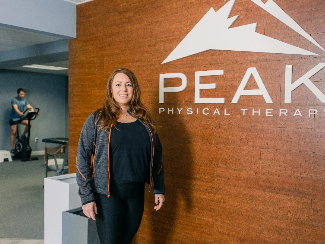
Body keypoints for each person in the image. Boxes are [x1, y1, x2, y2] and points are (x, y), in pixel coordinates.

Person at [76, 68, 165, 244]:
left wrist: (159, 188)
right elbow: (82, 157)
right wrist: (86, 198)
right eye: (118, 84)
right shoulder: (97, 119)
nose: (123, 89)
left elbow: (157, 157)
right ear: (111, 90)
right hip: (108, 195)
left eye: (128, 84)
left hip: (135, 193)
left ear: (134, 89)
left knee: (125, 240)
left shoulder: (145, 121)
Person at [9, 88, 35, 153]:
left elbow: (30, 107)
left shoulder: (24, 100)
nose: (22, 95)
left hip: (21, 118)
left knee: (29, 124)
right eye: (21, 94)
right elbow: (15, 108)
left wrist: (34, 112)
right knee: (13, 132)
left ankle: (23, 135)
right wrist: (19, 113)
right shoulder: (14, 100)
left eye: (23, 94)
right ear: (17, 93)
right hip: (14, 118)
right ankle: (13, 148)